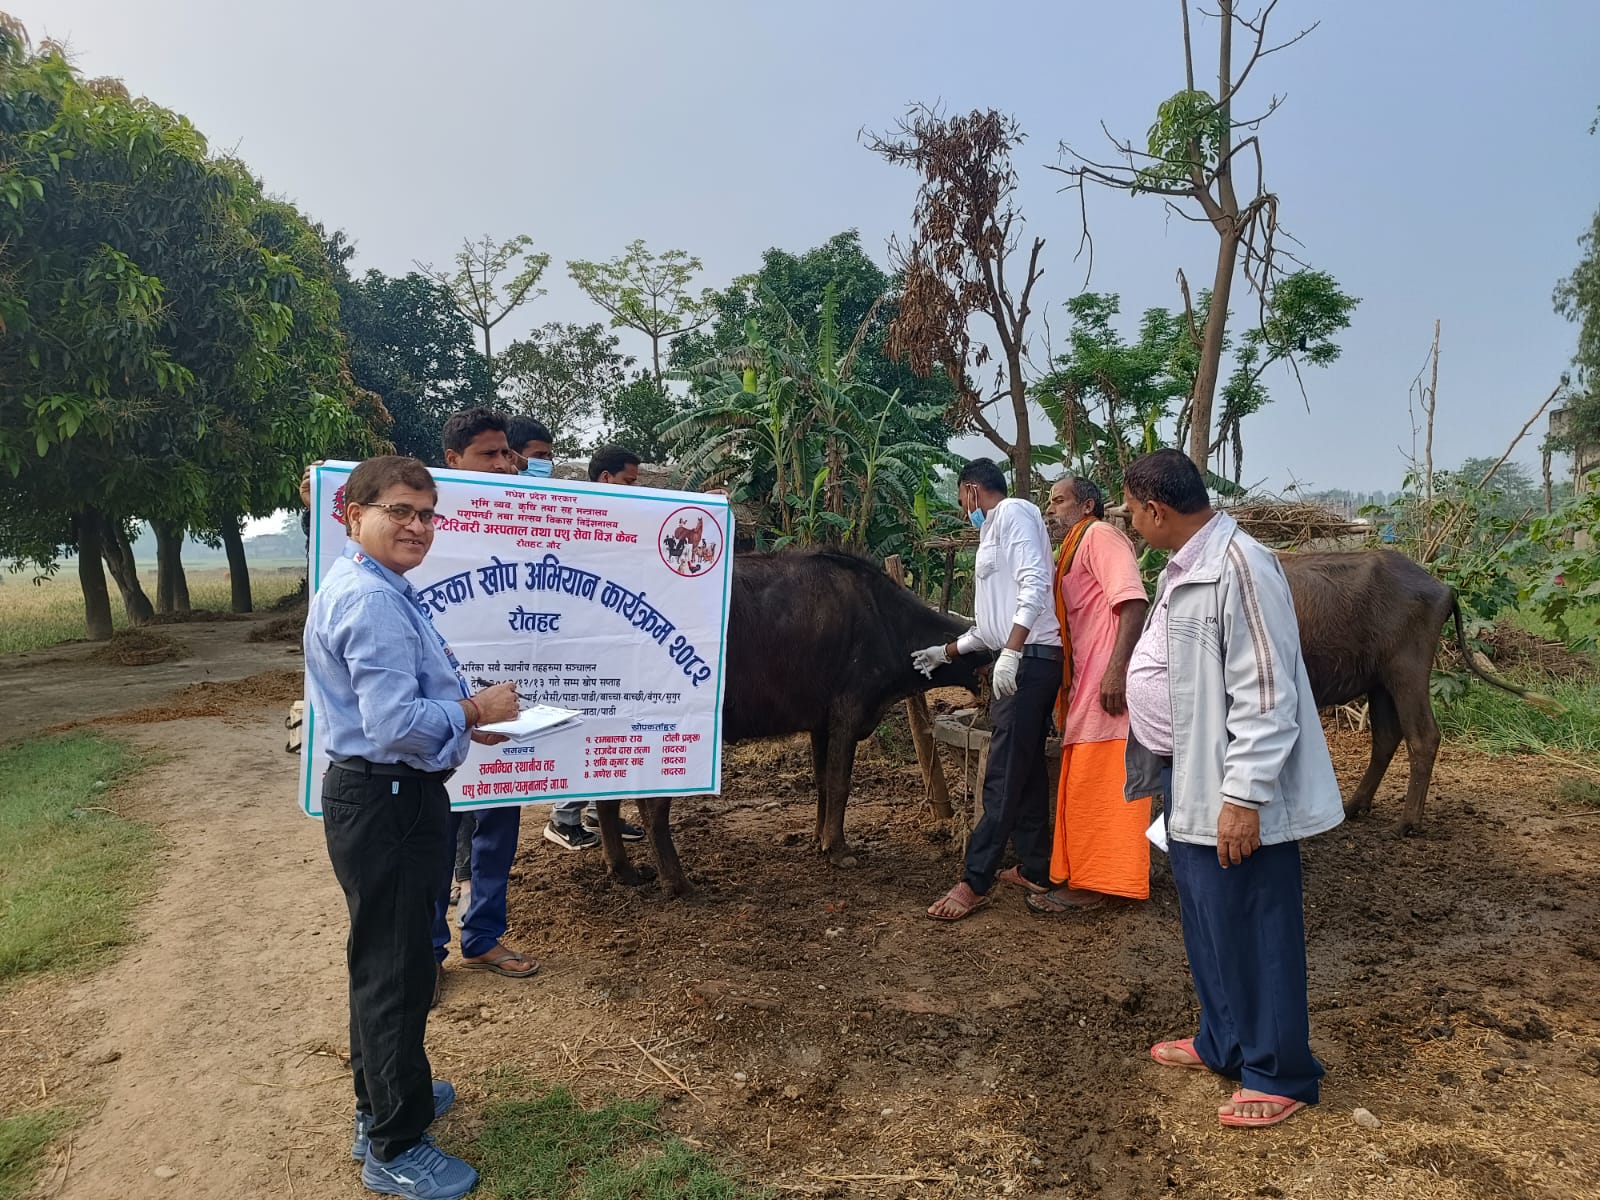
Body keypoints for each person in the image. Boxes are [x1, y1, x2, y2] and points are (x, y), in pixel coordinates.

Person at [305, 455, 519, 1198]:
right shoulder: (370, 602)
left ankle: (388, 1103)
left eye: (427, 514)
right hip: (390, 800)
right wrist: (472, 713)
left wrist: (464, 727)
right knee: (396, 975)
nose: (417, 527)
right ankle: (393, 1146)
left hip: (390, 796)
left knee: (383, 962)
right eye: (399, 511)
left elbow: (401, 711)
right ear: (351, 513)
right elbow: (395, 727)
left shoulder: (379, 589)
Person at [1120, 449, 1343, 1129]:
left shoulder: (1243, 566)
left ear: (1156, 509)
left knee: (1254, 923)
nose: (1130, 523)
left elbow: (1267, 693)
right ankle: (1224, 1041)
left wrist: (1244, 797)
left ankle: (1279, 1072)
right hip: (1186, 778)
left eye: (1131, 511)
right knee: (1209, 920)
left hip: (1231, 789)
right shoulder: (1185, 566)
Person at [913, 458, 1063, 920]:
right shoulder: (992, 530)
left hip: (1030, 660)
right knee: (1027, 769)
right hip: (1022, 656)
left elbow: (1036, 583)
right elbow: (990, 626)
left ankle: (973, 881)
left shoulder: (1015, 512)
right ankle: (1037, 867)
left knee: (1000, 772)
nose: (963, 510)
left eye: (962, 499)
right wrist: (948, 651)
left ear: (973, 490)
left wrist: (1013, 653)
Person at [430, 407, 542, 985]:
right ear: (452, 461)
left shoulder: (532, 511)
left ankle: (482, 936)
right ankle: (427, 951)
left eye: (507, 453)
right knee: (436, 831)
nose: (504, 464)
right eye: (488, 454)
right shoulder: (423, 518)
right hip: (441, 714)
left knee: (499, 825)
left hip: (507, 706)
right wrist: (319, 494)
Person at [1027, 477, 1152, 915]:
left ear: (1087, 505)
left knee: (1098, 782)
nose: (1051, 509)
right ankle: (1081, 873)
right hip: (1089, 679)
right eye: (1049, 502)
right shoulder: (1074, 547)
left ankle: (1097, 882)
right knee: (1082, 779)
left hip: (1107, 682)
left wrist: (1116, 671)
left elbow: (1133, 602)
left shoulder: (1100, 535)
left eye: (1059, 500)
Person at [542, 443, 651, 850]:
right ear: (606, 479)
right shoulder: (579, 516)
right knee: (587, 728)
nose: (635, 489)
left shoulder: (622, 519)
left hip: (613, 640)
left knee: (611, 730)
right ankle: (564, 817)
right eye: (628, 481)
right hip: (583, 642)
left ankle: (599, 814)